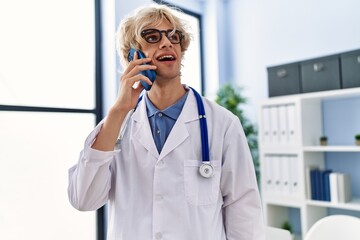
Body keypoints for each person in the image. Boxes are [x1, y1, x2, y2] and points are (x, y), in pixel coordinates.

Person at [68, 3, 265, 240]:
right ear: (132, 55)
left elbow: (243, 210)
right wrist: (119, 111)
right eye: (152, 36)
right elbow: (84, 199)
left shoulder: (222, 123)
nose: (166, 42)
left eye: (174, 36)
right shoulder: (116, 126)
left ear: (182, 47)